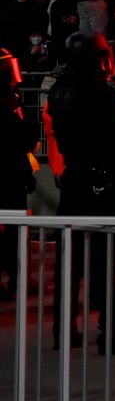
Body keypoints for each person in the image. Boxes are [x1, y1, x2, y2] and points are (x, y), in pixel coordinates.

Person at [46, 32, 115, 353]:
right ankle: (113, 333)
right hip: (105, 182)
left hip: (74, 178)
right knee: (105, 259)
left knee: (69, 259)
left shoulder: (59, 91)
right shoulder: (107, 92)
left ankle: (63, 329)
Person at [0, 50, 30, 298]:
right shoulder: (8, 102)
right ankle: (16, 279)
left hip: (13, 171)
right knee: (15, 230)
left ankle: (17, 278)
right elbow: (24, 139)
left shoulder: (12, 98)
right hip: (10, 173)